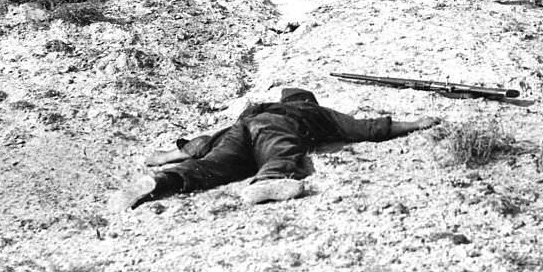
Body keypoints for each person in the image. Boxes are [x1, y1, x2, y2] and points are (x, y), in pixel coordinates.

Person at [112, 88, 440, 210]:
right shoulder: (315, 113)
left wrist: (164, 159)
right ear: (308, 102)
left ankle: (164, 181)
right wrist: (414, 124)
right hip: (275, 132)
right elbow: (364, 129)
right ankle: (268, 181)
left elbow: (204, 144)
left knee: (213, 166)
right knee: (281, 155)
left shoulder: (255, 111)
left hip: (239, 133)